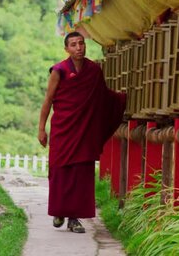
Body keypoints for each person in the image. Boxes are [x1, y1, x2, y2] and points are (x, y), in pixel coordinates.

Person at [38, 31, 125, 233]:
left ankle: (74, 219)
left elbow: (102, 97)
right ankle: (59, 211)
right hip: (63, 129)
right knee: (60, 172)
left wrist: (121, 99)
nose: (79, 47)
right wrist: (42, 129)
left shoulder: (94, 71)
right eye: (74, 44)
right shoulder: (58, 71)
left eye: (81, 43)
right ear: (67, 49)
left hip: (84, 131)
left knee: (81, 174)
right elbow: (48, 101)